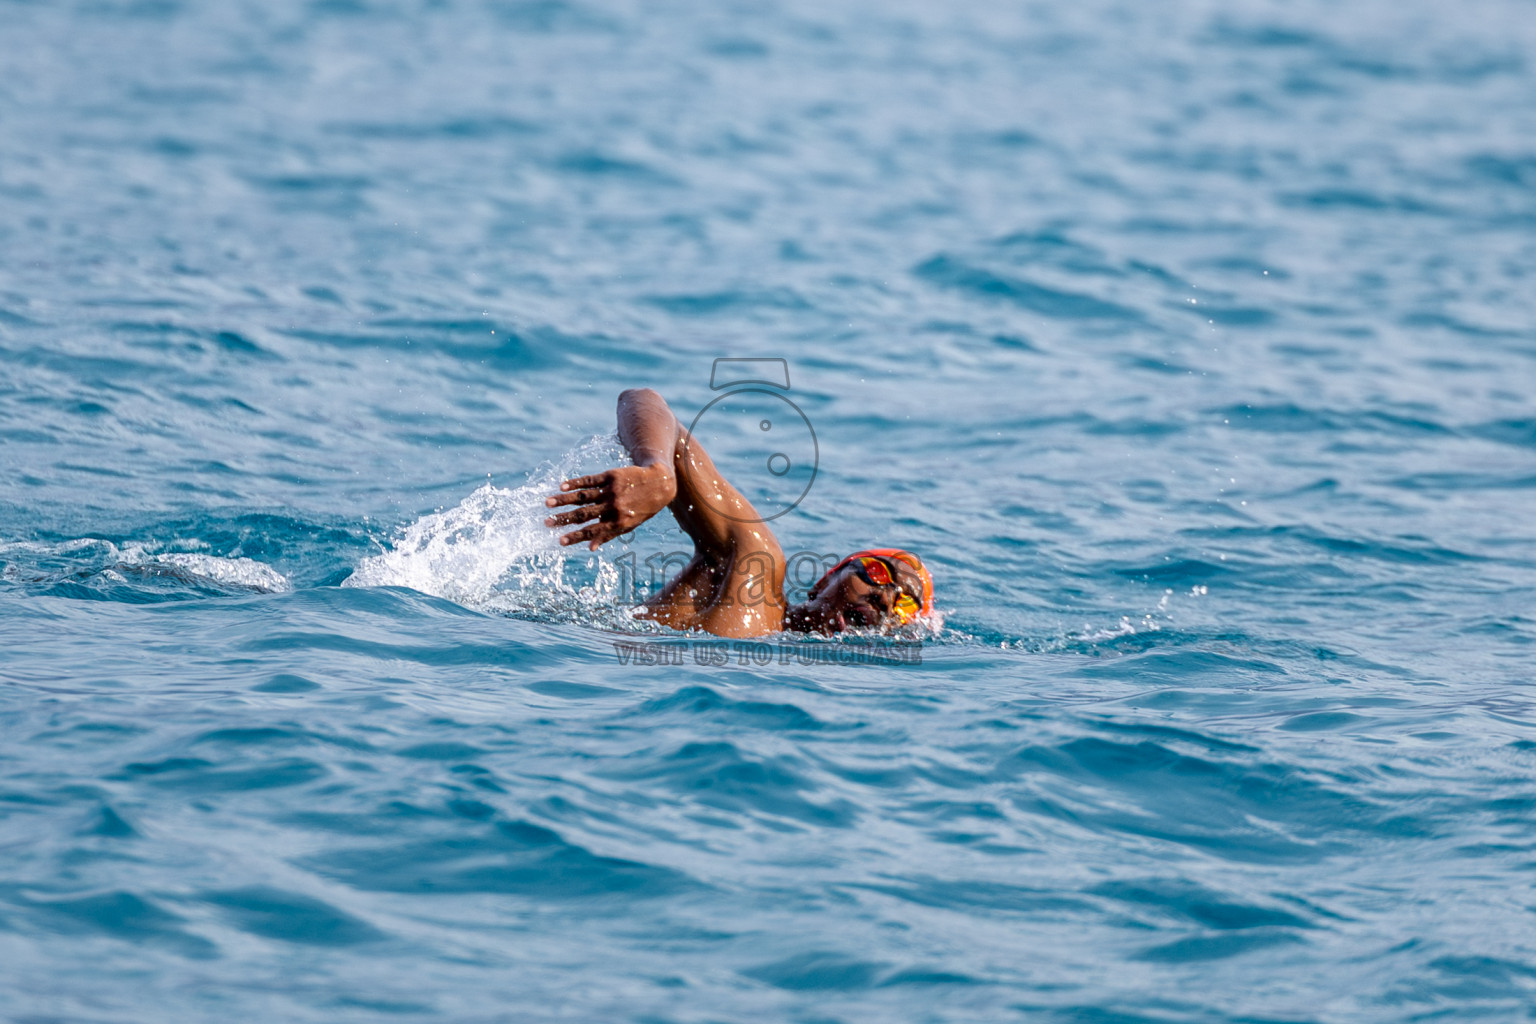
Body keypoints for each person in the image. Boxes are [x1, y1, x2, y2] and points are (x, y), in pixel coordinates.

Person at [544, 388, 933, 638]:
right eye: (879, 574)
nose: (886, 597)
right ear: (829, 576)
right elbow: (643, 400)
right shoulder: (750, 568)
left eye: (903, 605)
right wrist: (658, 472)